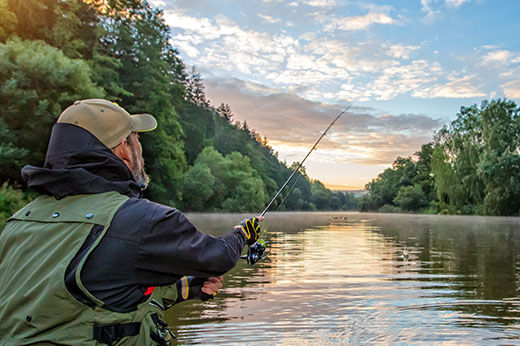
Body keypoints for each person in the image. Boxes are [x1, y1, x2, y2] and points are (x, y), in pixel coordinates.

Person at [0, 99, 263, 345]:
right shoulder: (142, 219)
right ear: (123, 149)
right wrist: (242, 232)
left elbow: (81, 298)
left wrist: (186, 289)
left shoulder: (19, 221)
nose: (140, 150)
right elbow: (218, 258)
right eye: (136, 140)